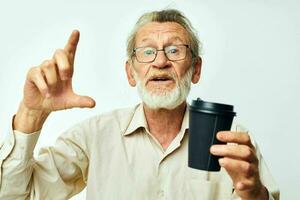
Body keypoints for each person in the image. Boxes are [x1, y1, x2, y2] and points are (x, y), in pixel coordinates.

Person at [0, 9, 279, 200]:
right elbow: (16, 195)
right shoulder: (94, 136)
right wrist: (31, 114)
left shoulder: (231, 140)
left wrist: (255, 194)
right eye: (147, 51)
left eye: (174, 50)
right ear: (130, 73)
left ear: (195, 69)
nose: (160, 61)